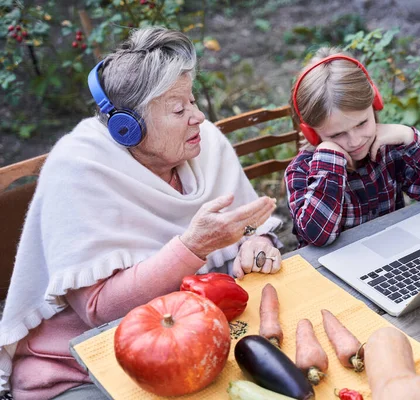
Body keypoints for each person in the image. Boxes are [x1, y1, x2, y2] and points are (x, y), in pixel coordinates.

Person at [0, 27, 283, 400]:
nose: (198, 116)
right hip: (81, 367)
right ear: (127, 128)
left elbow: (245, 228)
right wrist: (192, 247)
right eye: (179, 109)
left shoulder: (203, 142)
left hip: (190, 339)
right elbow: (99, 313)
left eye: (193, 100)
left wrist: (256, 243)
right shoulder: (78, 169)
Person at [285, 48, 420, 247]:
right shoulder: (301, 170)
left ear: (375, 103)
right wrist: (330, 162)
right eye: (336, 135)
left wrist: (411, 138)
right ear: (312, 133)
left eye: (361, 123)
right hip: (328, 272)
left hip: (391, 255)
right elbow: (318, 237)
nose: (354, 141)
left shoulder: (389, 150)